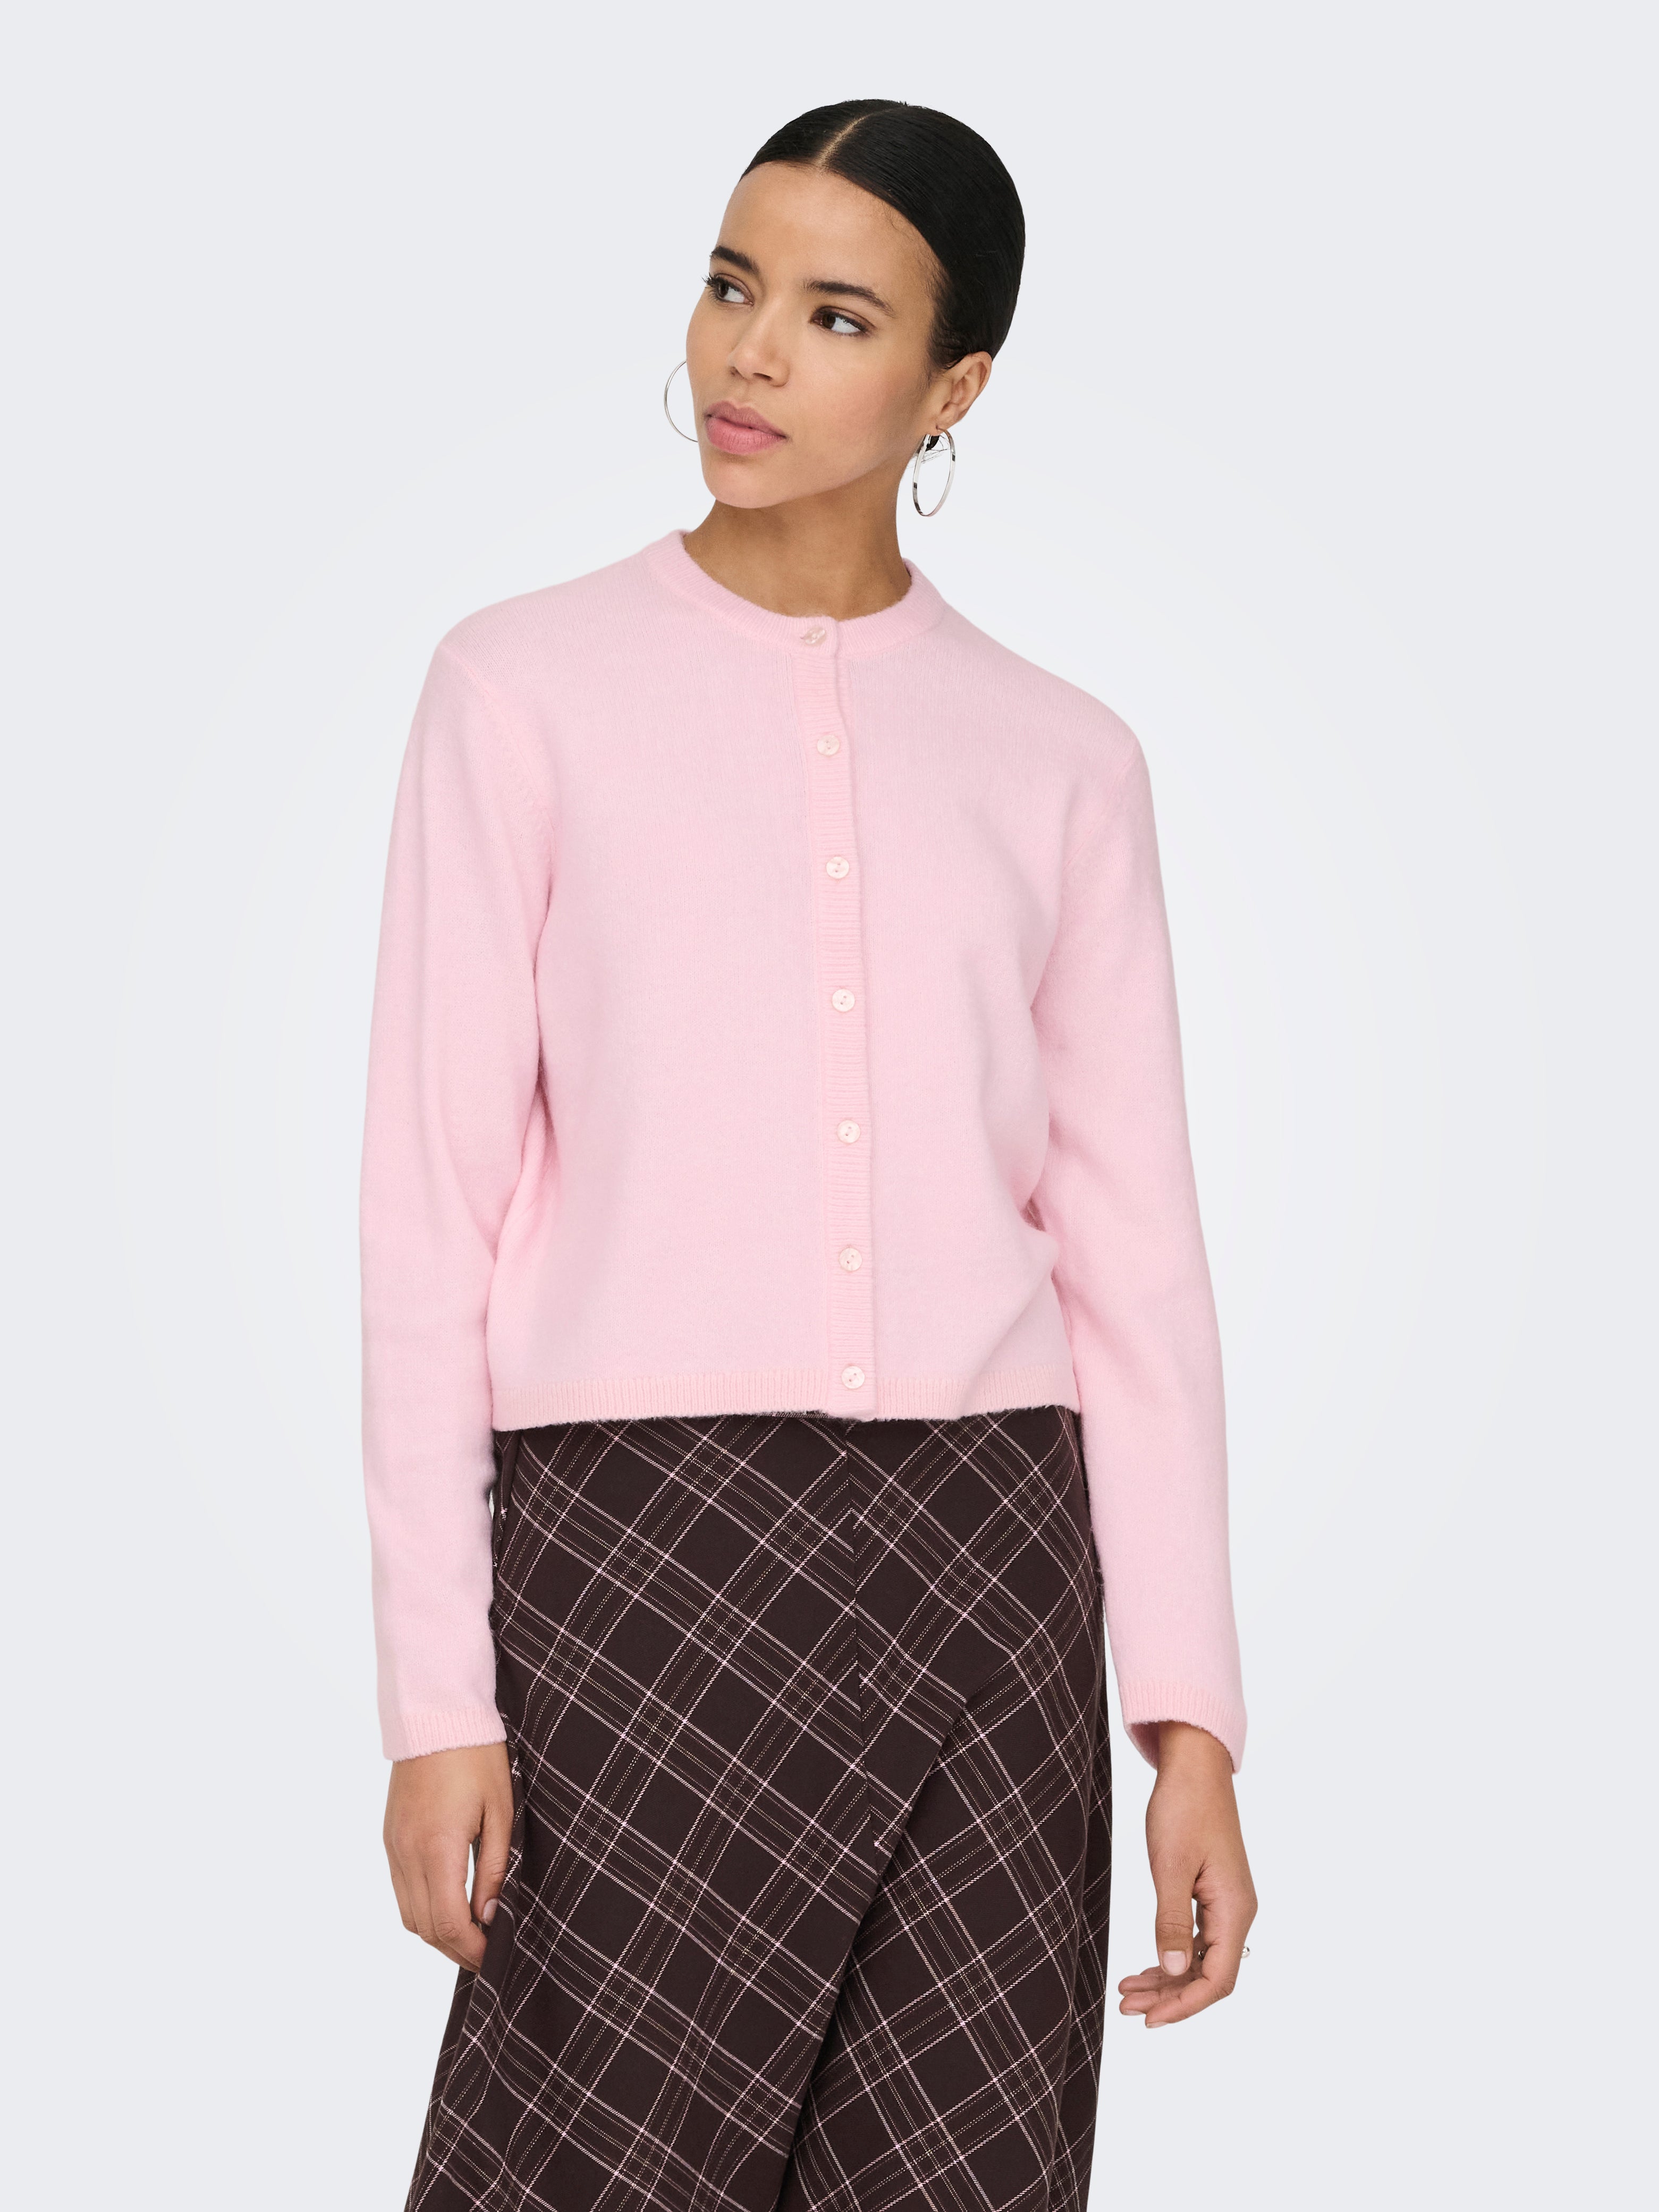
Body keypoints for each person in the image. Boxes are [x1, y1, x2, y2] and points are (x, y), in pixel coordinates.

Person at [361, 97, 1256, 2212]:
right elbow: (425, 1222)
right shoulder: (518, 690)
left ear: (954, 390)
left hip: (991, 1568)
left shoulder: (1064, 760)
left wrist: (1189, 1728)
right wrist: (435, 1701)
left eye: (837, 315)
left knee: (958, 2169)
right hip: (640, 1560)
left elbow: (1134, 1260)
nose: (750, 352)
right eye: (729, 285)